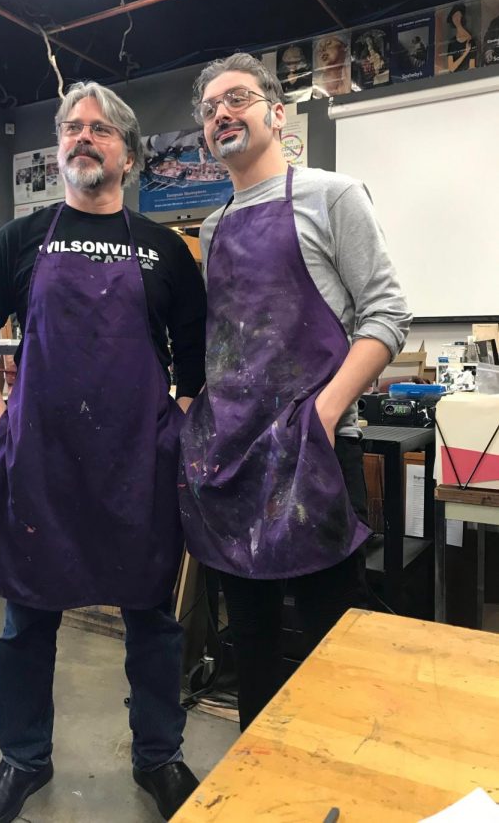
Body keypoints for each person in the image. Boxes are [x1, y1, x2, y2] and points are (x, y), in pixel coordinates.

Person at [0, 81, 206, 823]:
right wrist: (5, 422)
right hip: (42, 465)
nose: (80, 137)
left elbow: (195, 360)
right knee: (26, 622)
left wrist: (170, 427)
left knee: (151, 621)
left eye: (98, 128)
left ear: (126, 151)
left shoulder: (162, 249)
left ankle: (158, 756)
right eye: (69, 127)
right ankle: (21, 759)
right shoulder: (22, 239)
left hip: (136, 467)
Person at [178, 53, 411, 731]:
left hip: (311, 454)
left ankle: (333, 787)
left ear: (276, 114)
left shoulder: (330, 195)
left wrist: (325, 411)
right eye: (210, 107)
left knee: (330, 641)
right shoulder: (214, 228)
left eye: (238, 98)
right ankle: (257, 781)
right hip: (233, 459)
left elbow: (387, 313)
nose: (223, 112)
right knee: (248, 643)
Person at [446, 3, 477, 73]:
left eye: (458, 15)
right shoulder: (452, 42)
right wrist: (465, 52)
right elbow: (451, 68)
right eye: (454, 16)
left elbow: (472, 67)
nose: (456, 18)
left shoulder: (471, 41)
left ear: (462, 17)